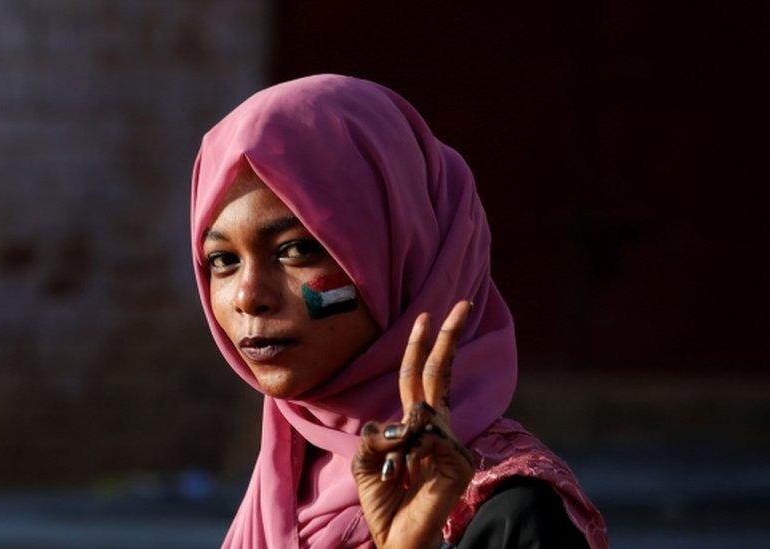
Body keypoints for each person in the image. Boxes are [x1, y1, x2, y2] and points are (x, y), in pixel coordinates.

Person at [190, 74, 608, 548]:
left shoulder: (513, 517)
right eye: (223, 260)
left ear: (404, 254)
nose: (248, 296)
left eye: (297, 250)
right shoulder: (282, 485)